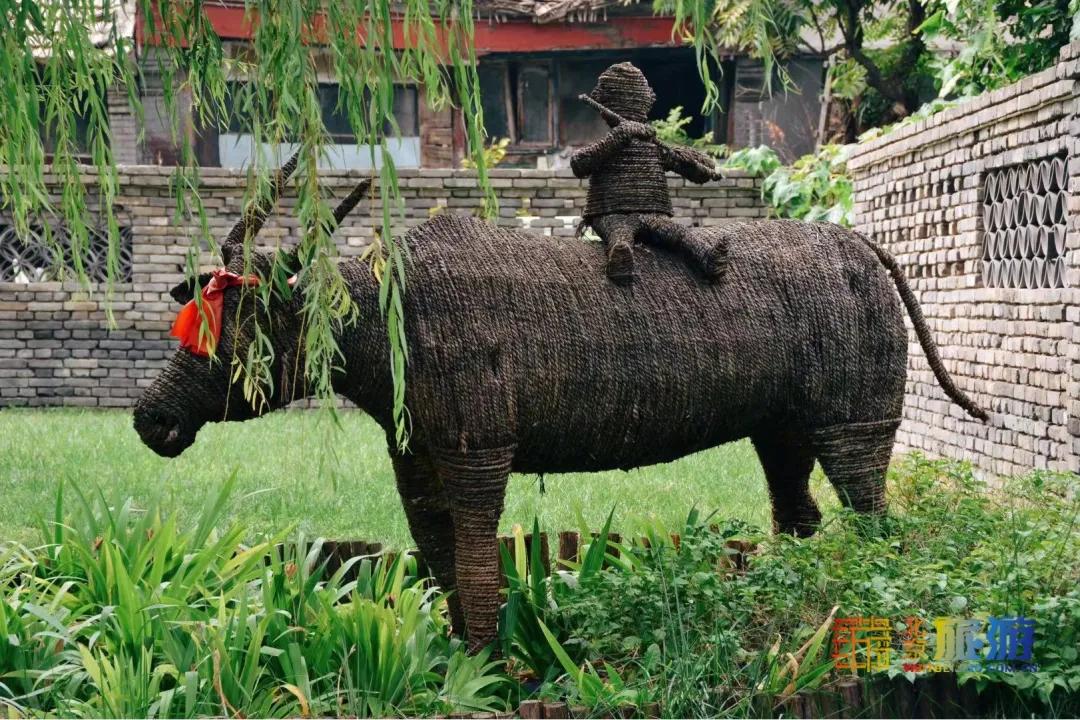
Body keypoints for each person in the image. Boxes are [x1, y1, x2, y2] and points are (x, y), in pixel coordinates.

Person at [571, 62, 726, 285]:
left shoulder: (653, 147)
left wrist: (692, 163)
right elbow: (579, 164)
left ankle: (708, 258)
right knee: (619, 235)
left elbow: (698, 171)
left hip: (653, 213)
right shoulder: (611, 144)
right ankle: (620, 260)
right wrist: (620, 136)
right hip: (610, 213)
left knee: (678, 234)